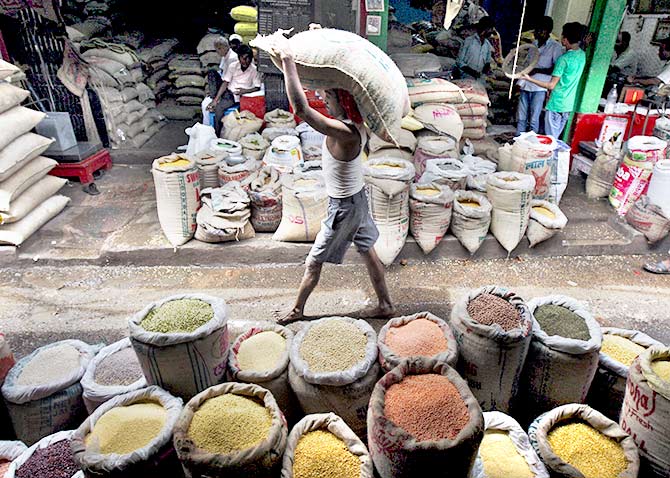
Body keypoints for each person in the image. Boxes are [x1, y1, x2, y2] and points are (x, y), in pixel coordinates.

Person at [268, 35, 394, 324]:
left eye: (329, 95)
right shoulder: (359, 126)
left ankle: (297, 310)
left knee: (314, 261)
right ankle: (385, 304)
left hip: (345, 207)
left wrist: (288, 62)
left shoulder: (346, 134)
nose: (324, 97)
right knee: (369, 253)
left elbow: (301, 110)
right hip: (357, 201)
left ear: (343, 100)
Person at [521, 22, 586, 139]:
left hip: (556, 103)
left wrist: (529, 78)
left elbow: (551, 85)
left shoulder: (563, 59)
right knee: (555, 137)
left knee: (550, 140)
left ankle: (549, 157)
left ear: (565, 39)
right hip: (568, 104)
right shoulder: (582, 55)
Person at [516, 16, 564, 135]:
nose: (536, 33)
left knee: (534, 118)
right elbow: (527, 64)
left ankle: (531, 143)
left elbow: (556, 69)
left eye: (540, 30)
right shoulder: (534, 44)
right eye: (536, 30)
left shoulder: (555, 47)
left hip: (540, 87)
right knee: (521, 116)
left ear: (547, 32)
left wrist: (537, 71)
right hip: (526, 84)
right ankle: (517, 140)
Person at [207, 44, 261, 137]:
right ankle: (216, 135)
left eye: (248, 58)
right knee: (212, 73)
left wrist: (244, 91)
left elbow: (257, 87)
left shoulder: (254, 70)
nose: (245, 61)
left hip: (240, 97)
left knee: (219, 108)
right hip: (229, 92)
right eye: (243, 58)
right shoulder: (233, 66)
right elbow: (225, 83)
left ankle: (219, 135)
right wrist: (215, 100)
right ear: (239, 58)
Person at [456, 16, 495, 81]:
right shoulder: (468, 41)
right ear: (484, 29)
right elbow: (459, 62)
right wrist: (472, 72)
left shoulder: (487, 45)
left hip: (480, 79)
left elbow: (487, 62)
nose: (491, 31)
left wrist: (484, 73)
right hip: (466, 77)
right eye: (489, 29)